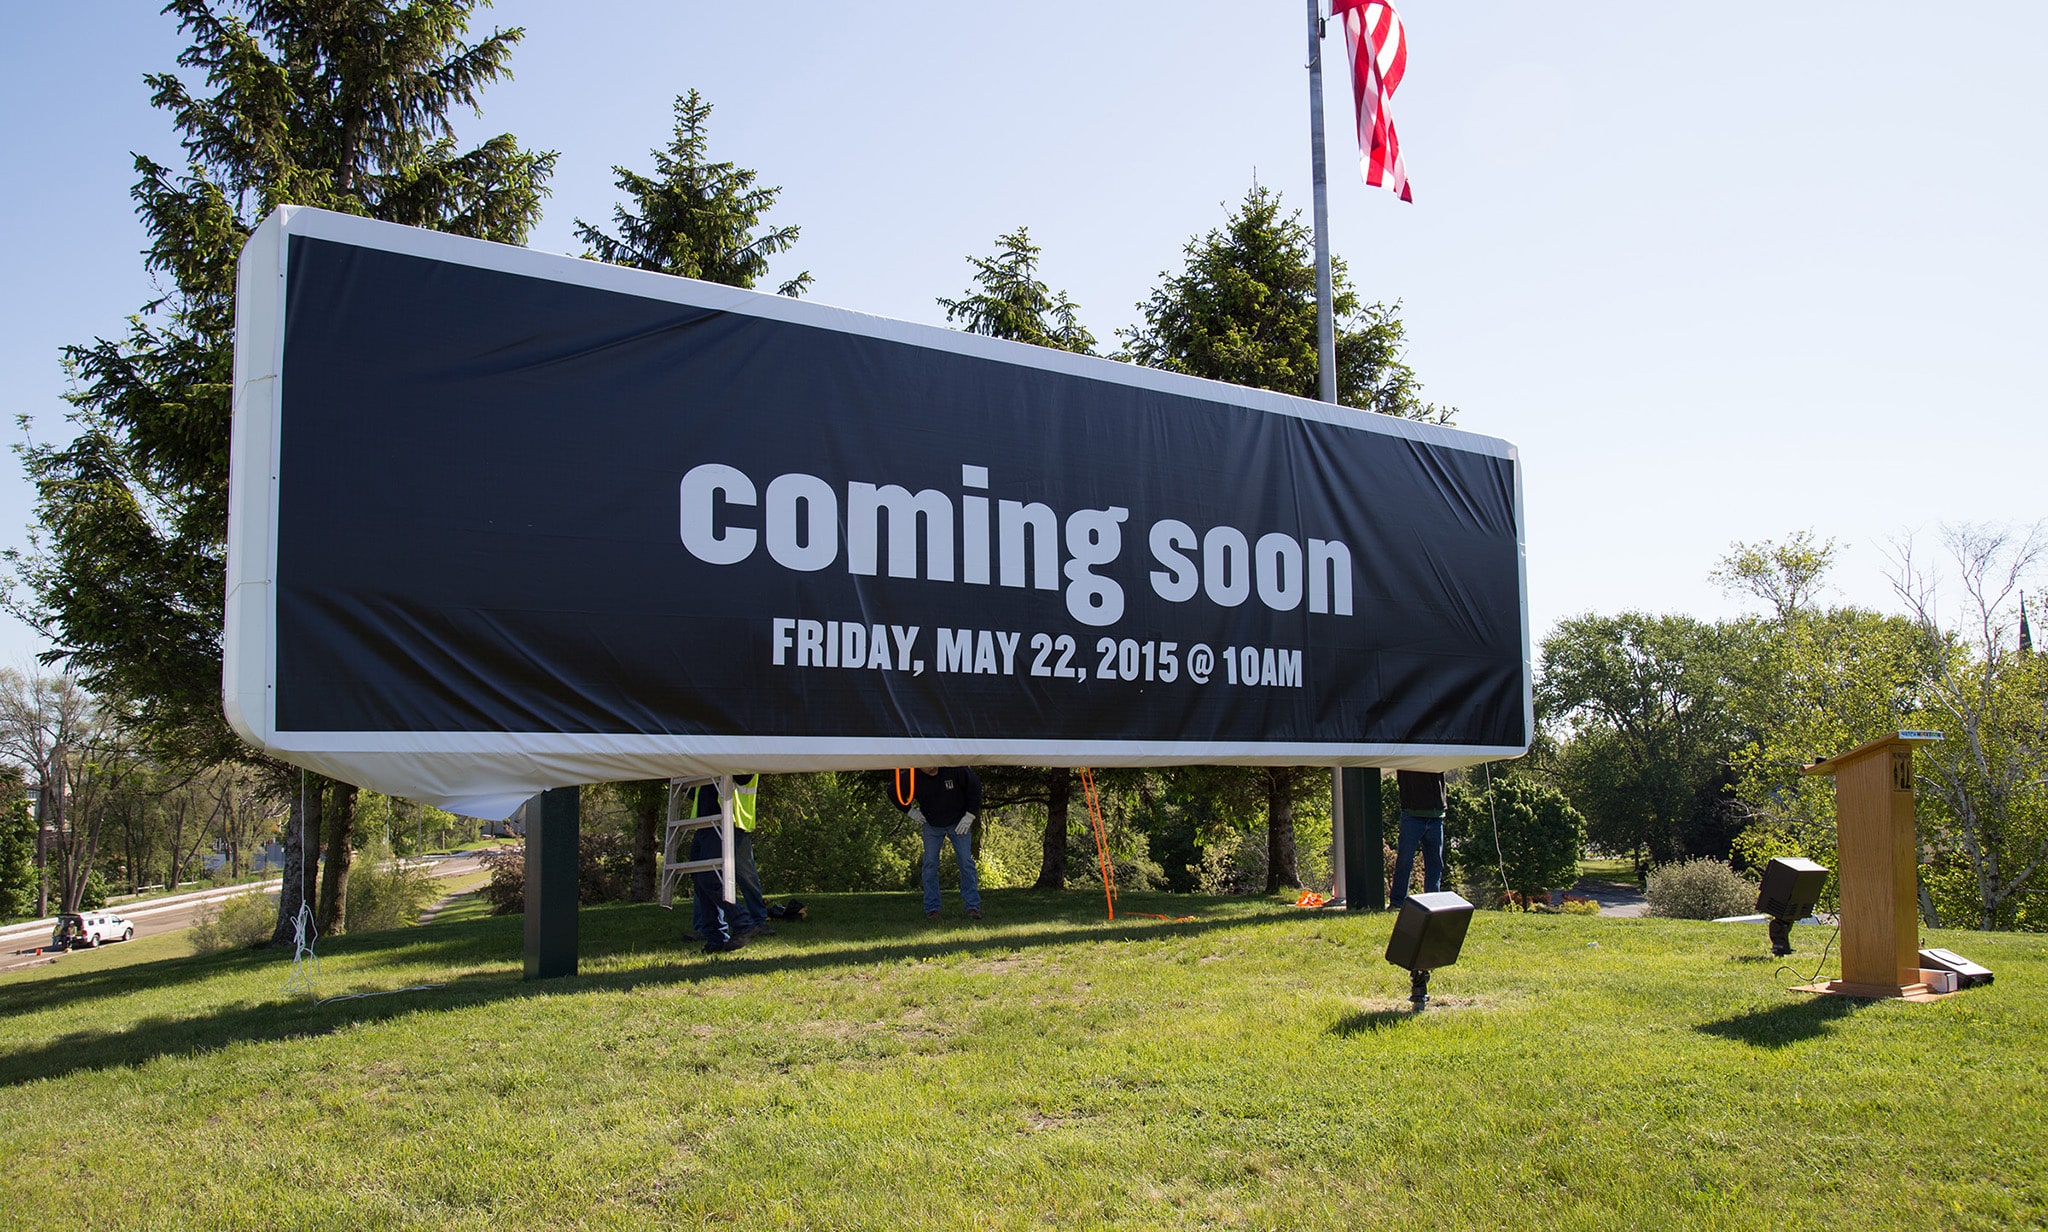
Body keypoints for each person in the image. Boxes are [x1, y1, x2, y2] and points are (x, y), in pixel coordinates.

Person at [686, 774, 765, 953]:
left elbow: (743, 777)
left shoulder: (744, 755)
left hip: (729, 819)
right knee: (699, 879)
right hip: (705, 820)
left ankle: (743, 923)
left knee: (709, 877)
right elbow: (694, 791)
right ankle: (715, 938)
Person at [892, 766, 983, 920]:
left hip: (959, 822)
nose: (932, 768)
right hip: (932, 824)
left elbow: (975, 787)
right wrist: (909, 811)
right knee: (930, 864)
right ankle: (932, 908)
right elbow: (892, 791)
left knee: (966, 862)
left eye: (934, 763)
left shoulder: (955, 768)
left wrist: (970, 814)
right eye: (927, 766)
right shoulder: (912, 775)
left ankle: (973, 907)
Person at [1389, 769, 1447, 909]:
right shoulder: (1409, 758)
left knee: (1434, 863)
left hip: (1435, 814)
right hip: (1413, 813)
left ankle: (1432, 901)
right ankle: (1398, 902)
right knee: (1405, 861)